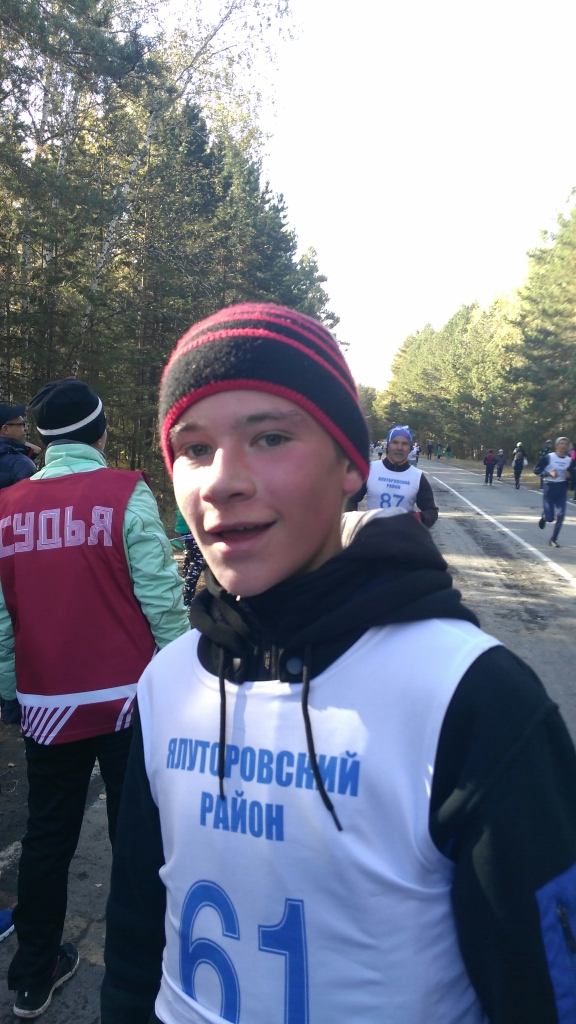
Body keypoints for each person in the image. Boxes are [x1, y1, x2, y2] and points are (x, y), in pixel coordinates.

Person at [102, 302, 576, 1024]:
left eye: (270, 436)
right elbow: (137, 929)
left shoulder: (470, 695)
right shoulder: (168, 681)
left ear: (351, 464)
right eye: (193, 448)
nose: (222, 481)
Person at [0, 379, 189, 1019]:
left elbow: (3, 617)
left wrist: (10, 690)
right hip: (128, 700)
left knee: (47, 837)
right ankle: (151, 966)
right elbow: (161, 597)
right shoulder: (124, 493)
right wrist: (183, 679)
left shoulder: (8, 507)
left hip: (47, 703)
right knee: (135, 837)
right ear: (100, 432)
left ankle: (32, 974)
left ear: (44, 439)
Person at [353, 425, 438, 526]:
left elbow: (431, 511)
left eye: (404, 444)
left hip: (403, 534)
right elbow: (350, 499)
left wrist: (416, 518)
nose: (399, 448)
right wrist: (355, 522)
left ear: (410, 448)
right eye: (395, 442)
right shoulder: (370, 469)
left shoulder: (417, 476)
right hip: (372, 533)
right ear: (388, 445)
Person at [535, 436, 574, 548]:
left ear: (568, 447)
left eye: (566, 444)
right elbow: (536, 470)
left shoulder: (569, 460)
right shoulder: (549, 457)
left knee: (561, 515)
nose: (563, 446)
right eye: (561, 443)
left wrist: (570, 476)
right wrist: (548, 474)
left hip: (562, 488)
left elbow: (572, 474)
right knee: (550, 518)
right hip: (550, 487)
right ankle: (545, 517)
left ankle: (553, 539)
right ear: (557, 446)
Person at [0, 403, 41, 492]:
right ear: (6, 429)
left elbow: (37, 450)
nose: (26, 428)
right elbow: (28, 499)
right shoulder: (22, 464)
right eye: (21, 424)